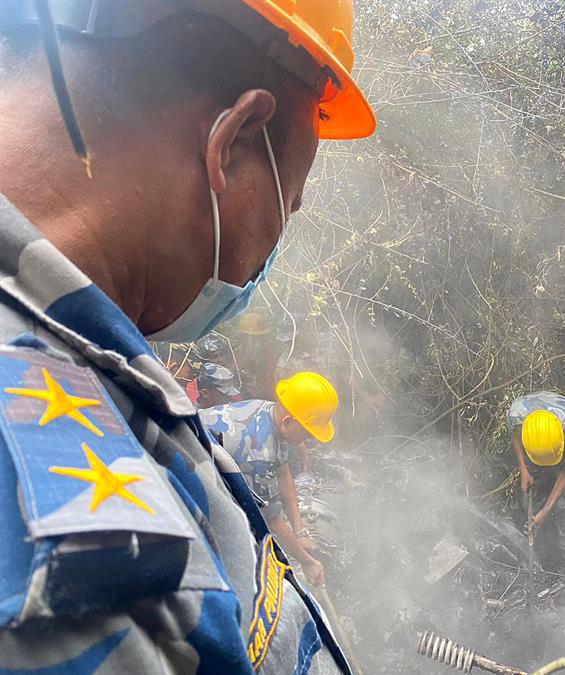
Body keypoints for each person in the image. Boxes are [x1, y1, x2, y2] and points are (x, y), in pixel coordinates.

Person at [0, 0, 373, 671]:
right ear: (231, 143)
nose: (268, 254)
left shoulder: (92, 361)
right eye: (288, 203)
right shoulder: (67, 547)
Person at [201, 371, 338, 587]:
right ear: (288, 421)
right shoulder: (258, 453)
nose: (311, 437)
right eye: (309, 431)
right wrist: (307, 562)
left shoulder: (271, 412)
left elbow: (283, 475)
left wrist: (299, 530)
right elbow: (270, 522)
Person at [507, 392, 565, 563]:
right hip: (535, 452)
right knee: (531, 499)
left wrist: (546, 511)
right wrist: (524, 470)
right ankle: (533, 547)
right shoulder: (516, 415)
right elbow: (514, 436)